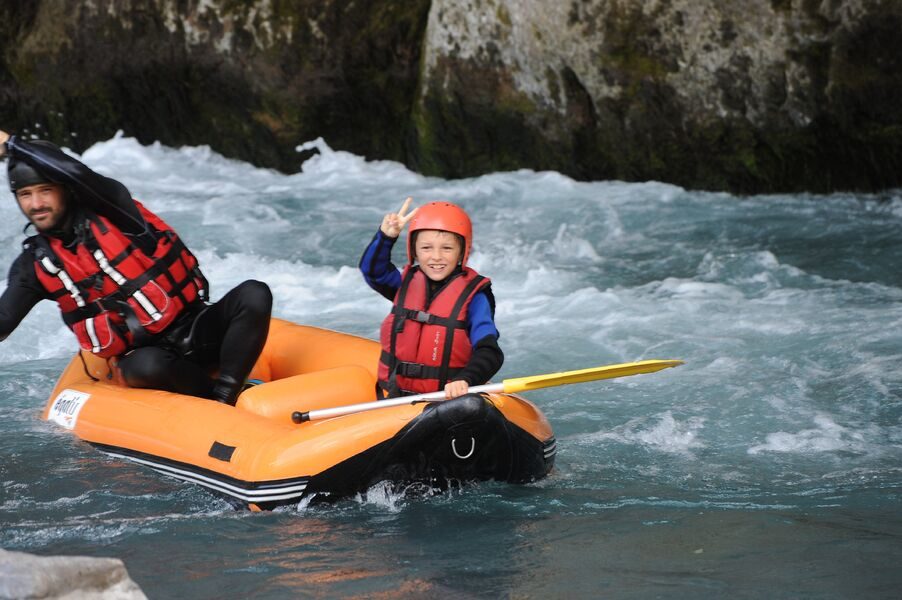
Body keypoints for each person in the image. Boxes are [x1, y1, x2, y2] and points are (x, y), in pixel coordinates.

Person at [0, 131, 272, 405]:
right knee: (150, 365)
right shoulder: (33, 264)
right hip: (143, 358)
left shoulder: (117, 211)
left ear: (66, 189)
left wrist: (11, 145)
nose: (36, 205)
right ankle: (209, 400)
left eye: (45, 191)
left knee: (254, 293)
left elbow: (77, 172)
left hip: (198, 331)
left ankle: (226, 396)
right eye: (25, 194)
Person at [359, 197, 503, 399]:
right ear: (414, 251)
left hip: (447, 400)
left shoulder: (475, 297)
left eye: (447, 248)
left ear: (462, 251)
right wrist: (385, 238)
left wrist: (466, 379)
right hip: (394, 397)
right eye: (426, 248)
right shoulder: (404, 283)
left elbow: (489, 350)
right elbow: (373, 271)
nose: (436, 256)